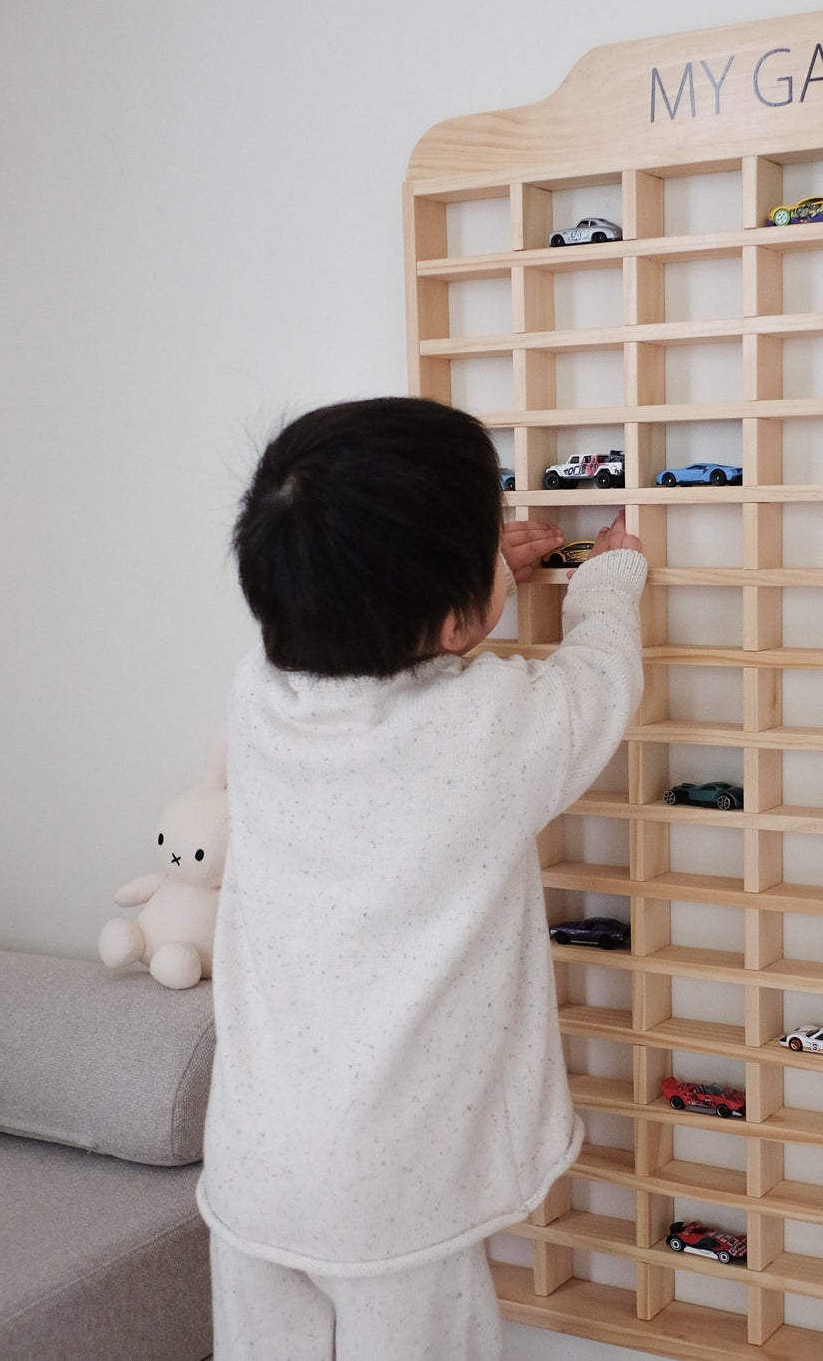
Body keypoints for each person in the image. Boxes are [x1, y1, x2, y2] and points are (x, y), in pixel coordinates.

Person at [196, 396, 646, 1360]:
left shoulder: (256, 695)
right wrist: (604, 585)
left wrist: (469, 594)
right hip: (393, 1192)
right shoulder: (487, 728)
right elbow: (596, 689)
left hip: (253, 1167)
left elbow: (368, 651)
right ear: (451, 625)